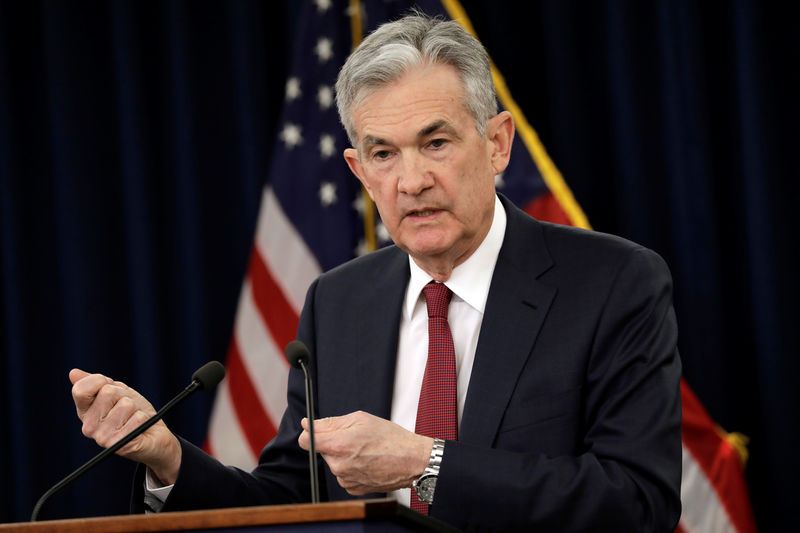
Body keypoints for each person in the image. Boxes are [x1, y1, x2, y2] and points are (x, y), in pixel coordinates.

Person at [70, 13, 682, 531]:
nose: (411, 181)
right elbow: (294, 501)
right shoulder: (339, 302)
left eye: (436, 143)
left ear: (497, 143)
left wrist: (426, 462)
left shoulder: (612, 284)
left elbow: (637, 500)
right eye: (383, 154)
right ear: (359, 172)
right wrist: (170, 458)